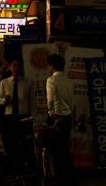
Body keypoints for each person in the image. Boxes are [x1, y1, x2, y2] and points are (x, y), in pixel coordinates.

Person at [0, 59, 35, 177]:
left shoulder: (28, 83)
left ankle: (25, 167)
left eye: (19, 66)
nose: (16, 68)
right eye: (14, 66)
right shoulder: (4, 82)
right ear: (10, 68)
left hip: (24, 117)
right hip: (9, 117)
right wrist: (5, 100)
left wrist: (32, 117)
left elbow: (32, 102)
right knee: (11, 143)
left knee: (24, 143)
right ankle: (13, 167)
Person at [46, 53, 75, 186]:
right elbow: (72, 101)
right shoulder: (69, 80)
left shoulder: (52, 80)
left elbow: (50, 99)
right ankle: (69, 177)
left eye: (48, 65)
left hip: (57, 118)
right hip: (68, 117)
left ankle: (59, 179)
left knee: (56, 150)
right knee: (65, 149)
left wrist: (50, 112)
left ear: (52, 66)